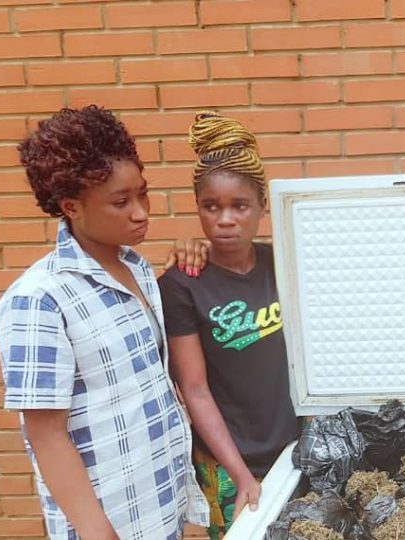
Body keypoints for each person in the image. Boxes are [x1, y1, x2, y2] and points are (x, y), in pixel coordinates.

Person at [0, 106, 208, 539]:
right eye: (120, 202)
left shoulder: (138, 270)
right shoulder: (39, 298)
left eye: (143, 194)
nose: (141, 212)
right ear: (71, 206)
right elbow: (46, 435)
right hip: (106, 523)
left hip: (160, 507)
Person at [158, 112, 300, 539]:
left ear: (262, 206)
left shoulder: (283, 264)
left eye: (239, 205)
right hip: (229, 464)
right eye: (211, 206)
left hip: (297, 451)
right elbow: (194, 389)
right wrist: (240, 477)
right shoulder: (182, 284)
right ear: (197, 206)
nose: (225, 219)